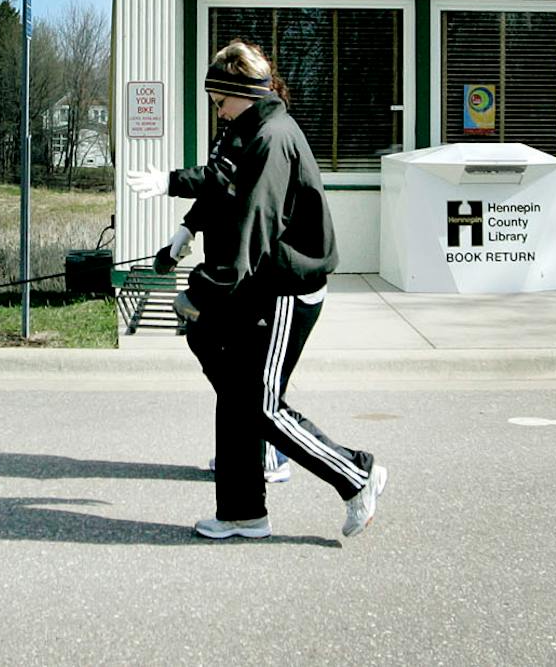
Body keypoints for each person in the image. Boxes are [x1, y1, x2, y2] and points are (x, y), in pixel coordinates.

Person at [125, 39, 388, 540]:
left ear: (241, 91)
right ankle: (243, 511)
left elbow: (253, 229)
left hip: (286, 287)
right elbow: (221, 185)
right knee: (233, 390)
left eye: (219, 99)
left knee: (258, 403)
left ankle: (357, 476)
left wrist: (200, 292)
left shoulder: (271, 138)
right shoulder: (244, 129)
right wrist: (183, 233)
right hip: (260, 282)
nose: (216, 108)